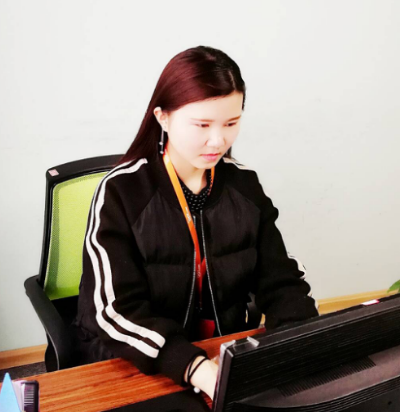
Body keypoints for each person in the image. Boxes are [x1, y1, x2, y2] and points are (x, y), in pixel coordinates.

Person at [71, 45, 319, 401]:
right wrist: (195, 368)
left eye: (231, 123)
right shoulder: (122, 192)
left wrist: (301, 340)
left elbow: (281, 281)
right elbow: (116, 312)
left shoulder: (244, 185)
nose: (218, 141)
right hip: (135, 358)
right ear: (163, 118)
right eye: (202, 125)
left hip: (219, 353)